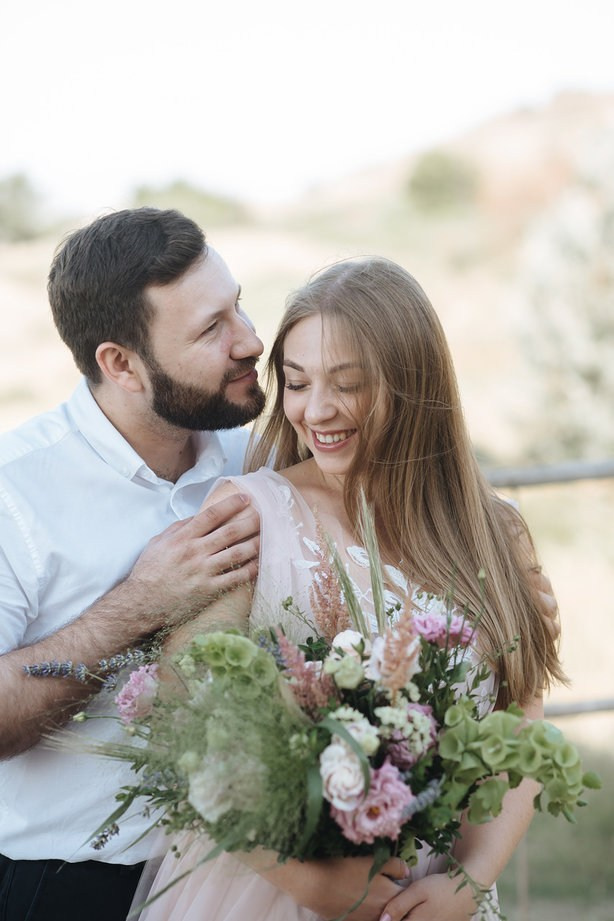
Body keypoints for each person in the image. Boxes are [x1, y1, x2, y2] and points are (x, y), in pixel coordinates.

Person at [133, 256, 566, 921]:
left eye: (348, 385)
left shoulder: (494, 532)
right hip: (274, 893)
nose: (316, 410)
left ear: (415, 385)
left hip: (436, 896)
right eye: (298, 382)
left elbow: (522, 717)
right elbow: (180, 720)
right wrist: (304, 880)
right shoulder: (251, 516)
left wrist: (473, 877)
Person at [0, 208, 267, 921]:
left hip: (241, 883)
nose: (251, 341)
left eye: (237, 305)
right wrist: (139, 605)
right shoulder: (13, 490)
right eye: (212, 330)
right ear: (120, 363)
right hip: (71, 888)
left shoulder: (254, 458)